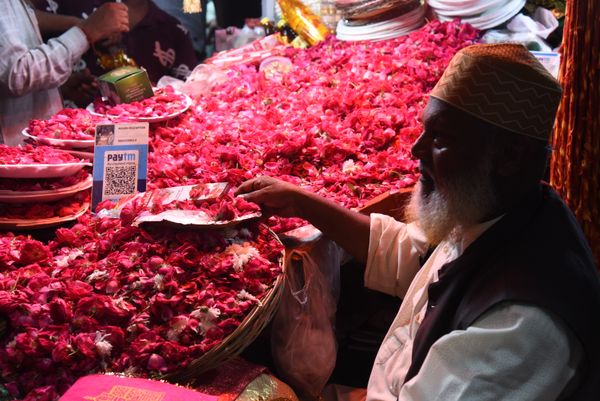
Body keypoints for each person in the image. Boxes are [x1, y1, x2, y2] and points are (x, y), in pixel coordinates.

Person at [235, 43, 600, 400]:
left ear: (509, 157)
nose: (416, 149)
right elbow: (411, 253)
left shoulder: (519, 325)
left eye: (440, 139)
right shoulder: (505, 212)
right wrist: (301, 201)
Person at [0, 0, 129, 146]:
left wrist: (56, 91)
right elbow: (17, 74)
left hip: (33, 151)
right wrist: (87, 31)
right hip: (14, 155)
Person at [32, 0, 198, 84]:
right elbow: (20, 20)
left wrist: (157, 94)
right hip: (68, 129)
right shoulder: (71, 4)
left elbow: (190, 89)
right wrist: (83, 26)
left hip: (146, 135)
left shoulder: (173, 30)